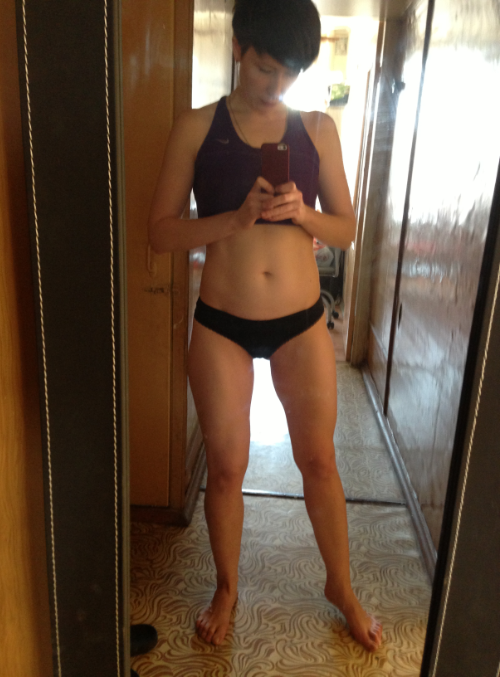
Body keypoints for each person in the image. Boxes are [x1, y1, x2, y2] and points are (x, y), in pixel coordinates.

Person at [148, 0, 382, 653]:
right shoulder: (197, 127)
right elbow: (160, 231)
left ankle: (341, 585)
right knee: (226, 468)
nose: (276, 84)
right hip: (221, 323)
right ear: (238, 47)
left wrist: (301, 213)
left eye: (290, 72)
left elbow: (347, 228)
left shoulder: (317, 129)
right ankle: (227, 588)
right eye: (265, 68)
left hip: (301, 324)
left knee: (319, 460)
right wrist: (233, 219)